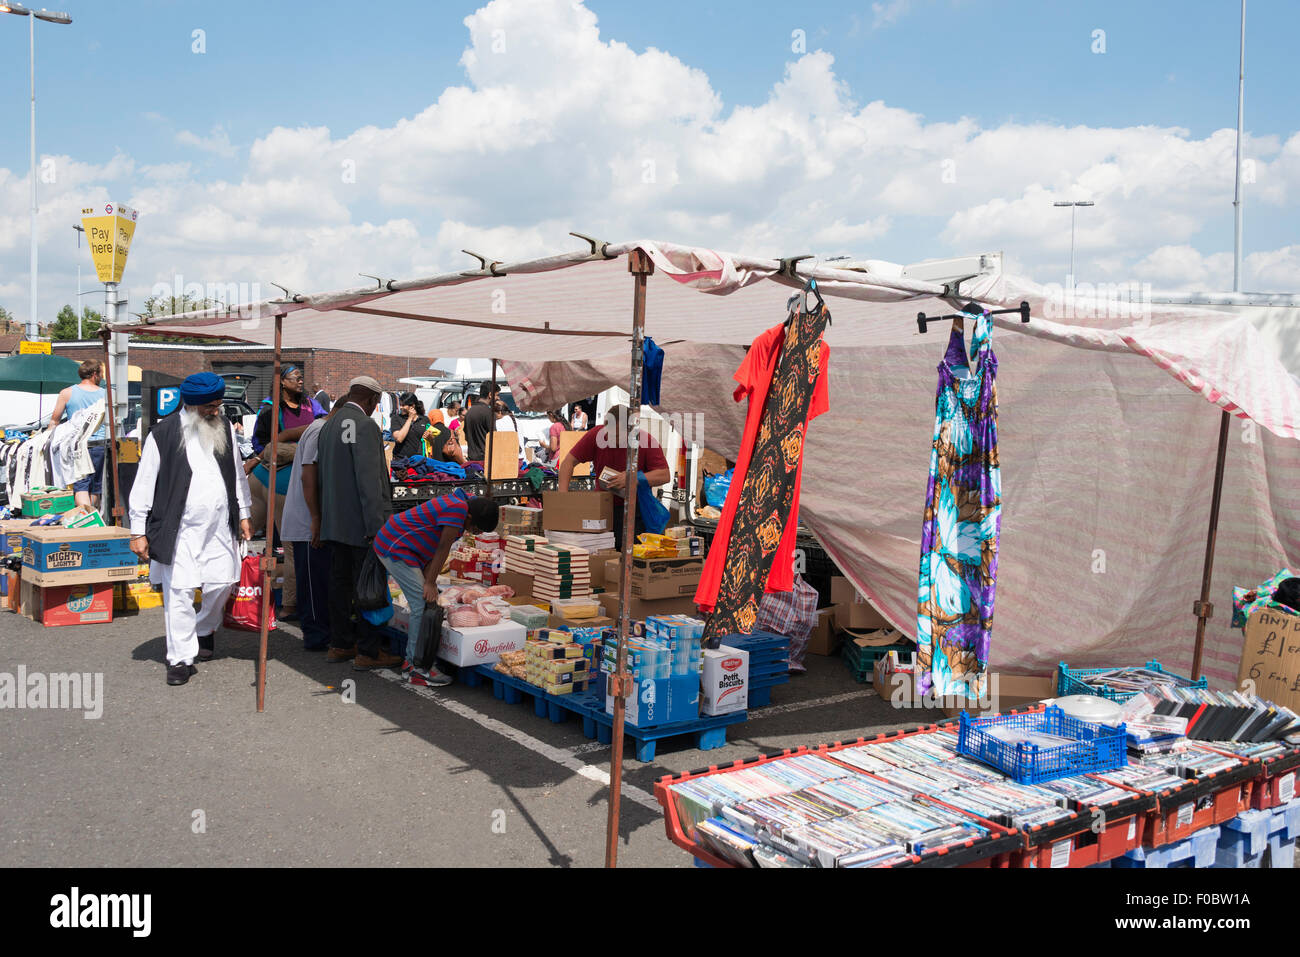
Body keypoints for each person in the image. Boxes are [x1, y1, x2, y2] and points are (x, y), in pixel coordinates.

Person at [127, 372, 253, 686]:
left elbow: (237, 474)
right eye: (210, 406)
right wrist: (137, 530)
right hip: (180, 529)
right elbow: (143, 484)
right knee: (179, 592)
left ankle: (204, 628)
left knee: (223, 582)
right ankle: (180, 658)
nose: (215, 410)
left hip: (220, 526)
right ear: (192, 404)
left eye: (218, 404)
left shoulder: (224, 427)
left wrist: (245, 514)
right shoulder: (163, 434)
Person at [317, 376, 400, 670]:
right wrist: (377, 526)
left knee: (340, 586)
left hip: (334, 522)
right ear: (373, 400)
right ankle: (368, 650)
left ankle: (340, 644)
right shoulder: (364, 426)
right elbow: (370, 482)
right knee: (368, 587)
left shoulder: (329, 425)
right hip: (360, 525)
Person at [375, 491, 500, 686]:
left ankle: (417, 661)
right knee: (421, 604)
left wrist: (428, 577)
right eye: (475, 529)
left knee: (427, 601)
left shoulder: (462, 504)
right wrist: (430, 583)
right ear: (469, 517)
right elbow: (442, 547)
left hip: (407, 547)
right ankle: (416, 668)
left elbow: (432, 545)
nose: (473, 533)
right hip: (395, 546)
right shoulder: (457, 510)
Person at [249, 365, 324, 619]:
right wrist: (293, 445)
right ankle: (287, 603)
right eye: (296, 378)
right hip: (276, 479)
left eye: (302, 377)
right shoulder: (270, 409)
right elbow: (261, 444)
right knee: (289, 544)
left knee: (289, 544)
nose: (301, 381)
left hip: (288, 476)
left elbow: (325, 425)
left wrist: (290, 439)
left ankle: (288, 601)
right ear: (282, 382)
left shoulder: (312, 406)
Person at [558, 405, 671, 549]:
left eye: (617, 436)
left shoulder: (646, 441)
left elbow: (664, 475)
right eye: (609, 434)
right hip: (602, 507)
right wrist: (562, 498)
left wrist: (632, 478)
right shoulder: (597, 434)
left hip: (634, 510)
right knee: (598, 552)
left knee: (629, 554)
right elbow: (568, 462)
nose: (611, 439)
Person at [279, 405, 335, 651]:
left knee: (318, 581)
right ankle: (315, 636)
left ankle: (320, 631)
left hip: (312, 521)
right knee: (313, 584)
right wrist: (316, 518)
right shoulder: (320, 431)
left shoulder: (319, 428)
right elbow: (308, 476)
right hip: (307, 523)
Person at [47, 360, 108, 509]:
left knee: (81, 484)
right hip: (99, 445)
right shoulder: (106, 395)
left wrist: (46, 441)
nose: (102, 377)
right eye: (101, 373)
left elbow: (54, 421)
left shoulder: (67, 393)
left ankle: (85, 516)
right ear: (95, 374)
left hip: (76, 446)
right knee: (95, 487)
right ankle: (92, 515)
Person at [391, 392, 433, 460]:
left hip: (419, 460)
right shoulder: (396, 418)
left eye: (403, 405)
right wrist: (410, 419)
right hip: (401, 460)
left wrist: (429, 437)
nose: (400, 407)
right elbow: (399, 439)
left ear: (412, 406)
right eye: (400, 405)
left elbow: (431, 442)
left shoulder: (424, 419)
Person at [463, 382, 497, 462]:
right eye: (497, 395)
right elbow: (494, 438)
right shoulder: (489, 412)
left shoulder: (469, 412)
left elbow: (466, 436)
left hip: (472, 459)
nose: (497, 398)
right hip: (485, 460)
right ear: (490, 395)